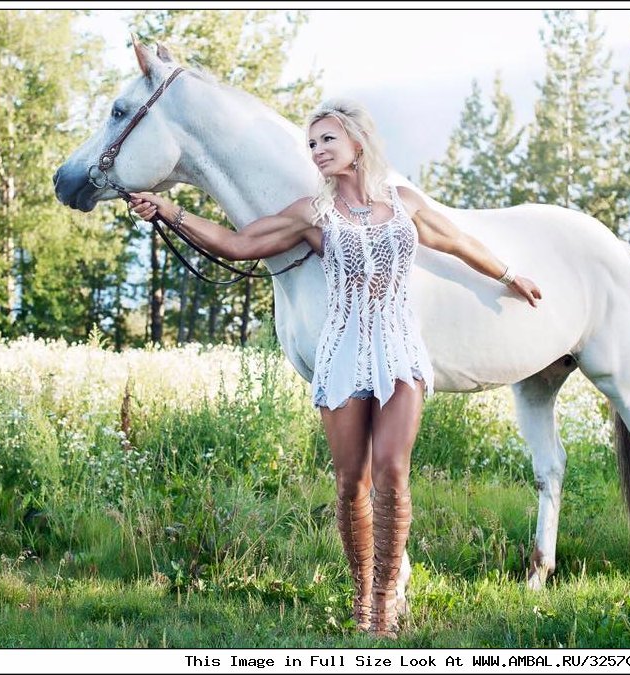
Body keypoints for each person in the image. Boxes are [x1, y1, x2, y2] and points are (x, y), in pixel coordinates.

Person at [128, 99, 542, 638]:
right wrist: (169, 211)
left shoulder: (404, 203)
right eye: (312, 143)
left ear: (357, 143)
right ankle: (361, 593)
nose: (318, 150)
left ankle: (386, 600)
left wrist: (510, 275)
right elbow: (237, 244)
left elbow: (459, 242)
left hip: (400, 353)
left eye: (327, 139)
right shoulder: (312, 213)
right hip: (343, 353)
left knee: (392, 470)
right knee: (351, 483)